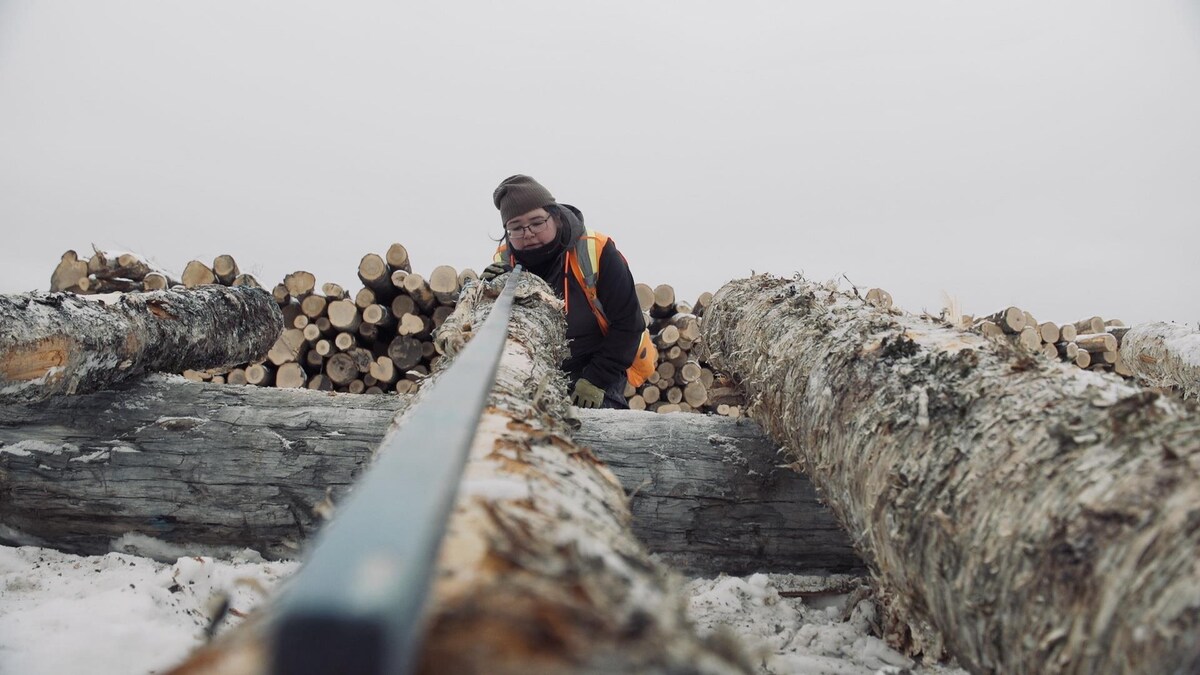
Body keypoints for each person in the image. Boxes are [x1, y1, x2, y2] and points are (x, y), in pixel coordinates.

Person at [481, 175, 655, 409]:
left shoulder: (596, 250)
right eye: (516, 227)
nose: (528, 233)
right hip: (535, 369)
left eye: (537, 222)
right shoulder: (504, 260)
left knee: (598, 432)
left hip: (599, 362)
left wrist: (595, 380)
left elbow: (628, 324)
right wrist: (487, 294)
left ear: (556, 217)